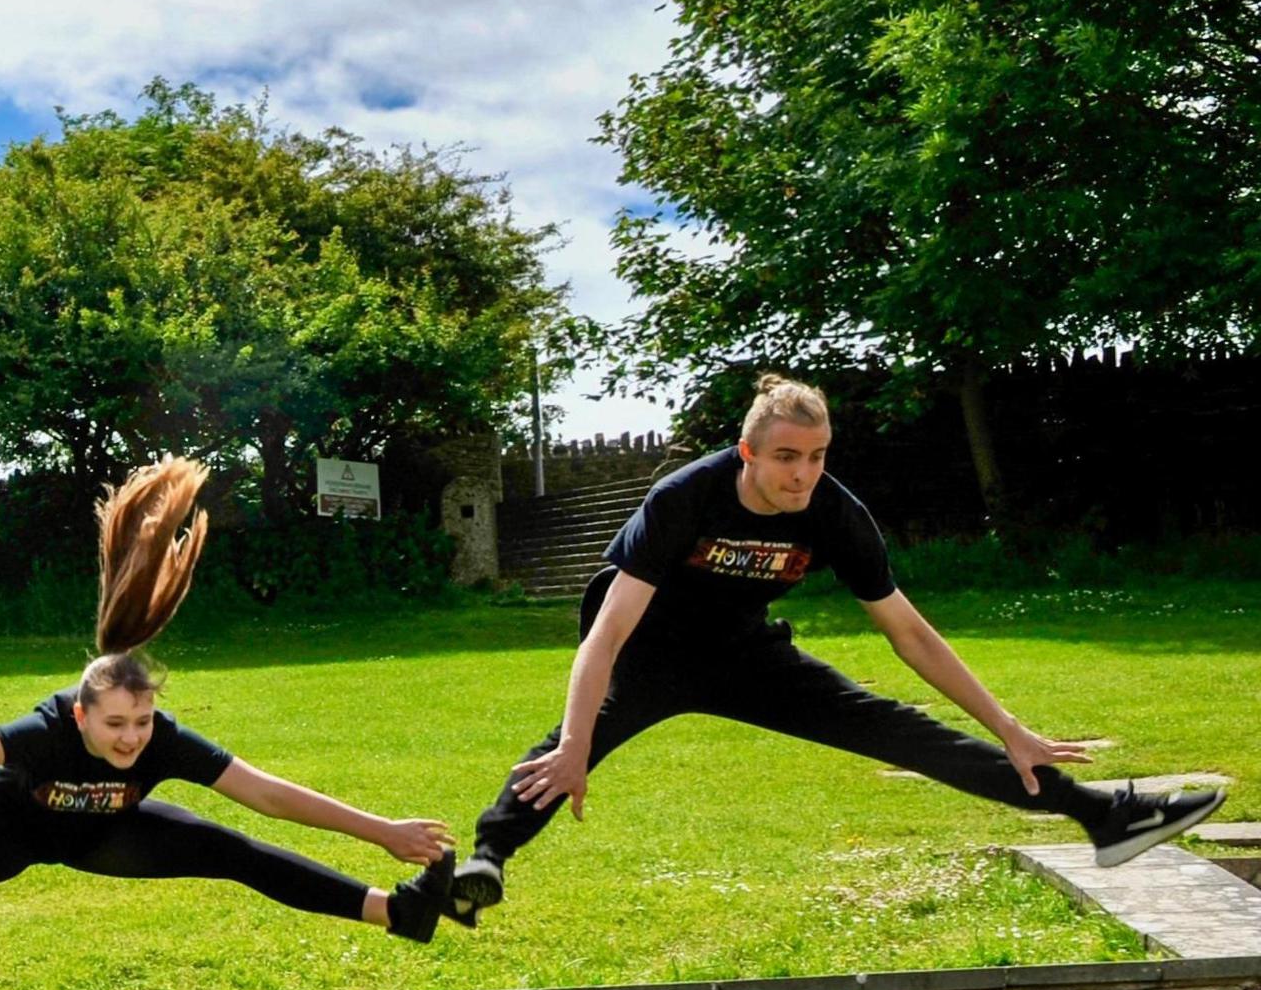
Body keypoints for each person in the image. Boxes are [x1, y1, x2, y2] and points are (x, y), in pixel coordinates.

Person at [451, 374, 1225, 921]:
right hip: (647, 656)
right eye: (788, 457)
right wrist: (583, 740)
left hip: (747, 655)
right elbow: (607, 632)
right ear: (749, 453)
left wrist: (1008, 726)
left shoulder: (835, 513)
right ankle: (485, 862)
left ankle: (1102, 818)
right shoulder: (684, 497)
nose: (804, 474)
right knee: (561, 752)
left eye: (817, 456)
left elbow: (909, 631)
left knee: (904, 732)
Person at [0, 458, 460, 951]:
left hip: (109, 835)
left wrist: (384, 831)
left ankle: (397, 913)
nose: (131, 738)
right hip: (13, 823)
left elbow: (270, 795)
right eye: (116, 724)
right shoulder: (51, 725)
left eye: (140, 722)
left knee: (236, 851)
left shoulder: (162, 738)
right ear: (82, 715)